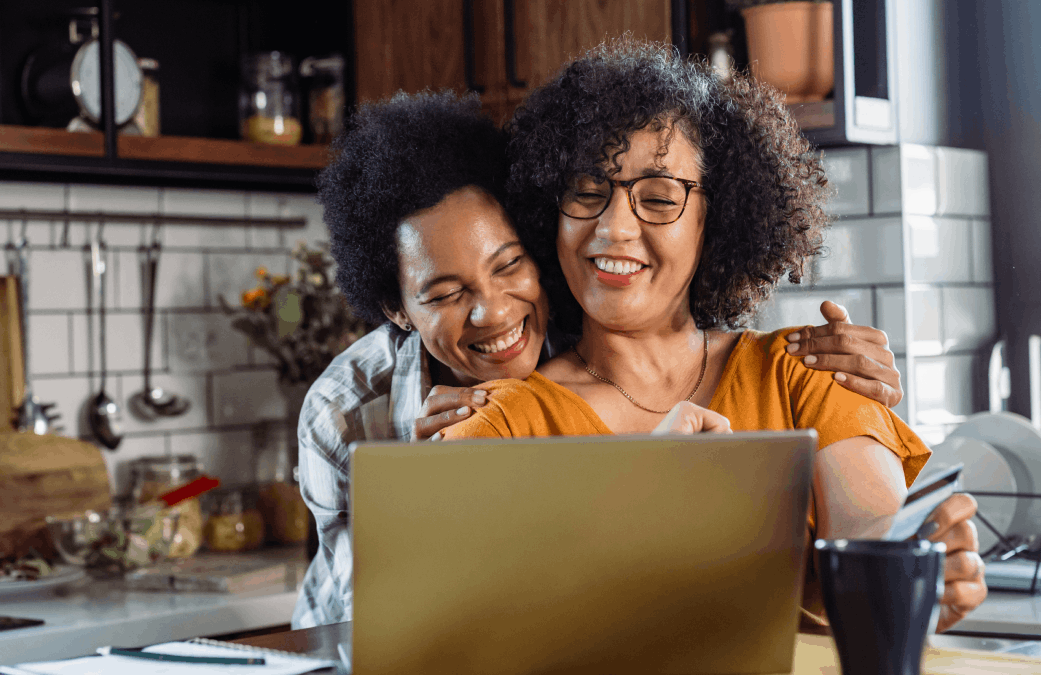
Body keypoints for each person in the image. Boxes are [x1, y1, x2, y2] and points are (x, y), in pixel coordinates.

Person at [292, 90, 908, 628]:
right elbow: (397, 620)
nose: (495, 314)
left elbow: (875, 539)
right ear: (395, 308)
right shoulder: (344, 412)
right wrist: (437, 489)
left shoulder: (600, 325)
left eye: (508, 265)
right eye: (447, 294)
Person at [443, 39, 986, 632]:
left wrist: (915, 569)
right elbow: (468, 625)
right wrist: (640, 495)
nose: (614, 227)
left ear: (715, 216)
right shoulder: (503, 422)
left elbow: (869, 531)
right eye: (586, 191)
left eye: (658, 197)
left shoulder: (804, 372)